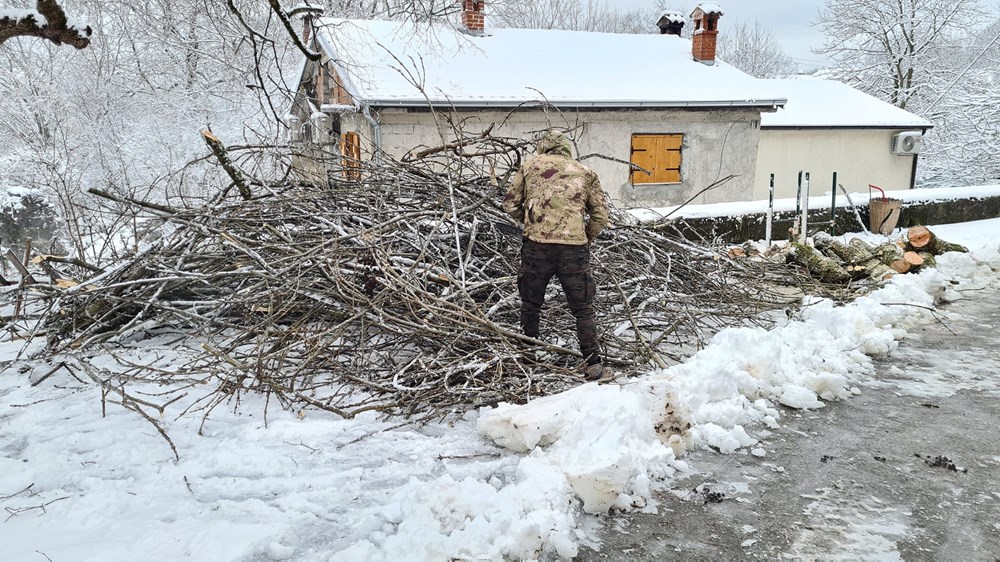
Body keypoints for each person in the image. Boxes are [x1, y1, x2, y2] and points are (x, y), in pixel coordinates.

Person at [502, 129, 611, 381]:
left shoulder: (530, 167)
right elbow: (601, 216)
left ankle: (528, 359)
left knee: (531, 305)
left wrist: (531, 221)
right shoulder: (586, 172)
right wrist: (585, 236)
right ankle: (593, 364)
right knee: (583, 308)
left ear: (544, 147)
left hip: (536, 247)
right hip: (573, 251)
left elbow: (509, 203)